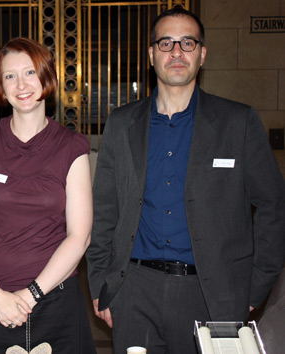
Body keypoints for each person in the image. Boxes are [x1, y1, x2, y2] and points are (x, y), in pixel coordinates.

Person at [86, 5, 285, 354]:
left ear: (202, 54)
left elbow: (273, 206)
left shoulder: (238, 123)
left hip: (213, 295)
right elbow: (104, 210)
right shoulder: (121, 123)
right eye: (166, 43)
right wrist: (100, 284)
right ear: (151, 54)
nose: (176, 52)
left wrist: (255, 289)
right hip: (134, 292)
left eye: (187, 43)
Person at [0, 37, 96, 354]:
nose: (21, 85)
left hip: (53, 300)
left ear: (47, 78)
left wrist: (29, 295)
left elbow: (79, 236)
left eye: (30, 72)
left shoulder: (72, 147)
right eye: (9, 76)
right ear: (0, 86)